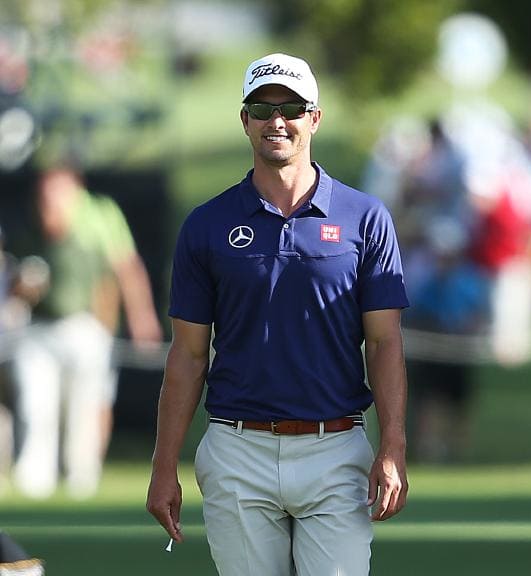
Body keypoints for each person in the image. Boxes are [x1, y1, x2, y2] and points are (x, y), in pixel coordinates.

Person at [145, 53, 410, 575]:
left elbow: (384, 343)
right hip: (237, 449)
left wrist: (393, 446)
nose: (277, 122)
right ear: (245, 120)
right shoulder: (206, 225)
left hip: (335, 448)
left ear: (315, 117)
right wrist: (163, 465)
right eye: (262, 110)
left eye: (291, 108)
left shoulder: (366, 218)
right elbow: (189, 353)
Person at [10, 165, 162, 500]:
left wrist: (142, 318)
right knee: (37, 405)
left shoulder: (98, 216)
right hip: (38, 329)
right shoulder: (27, 222)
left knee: (85, 404)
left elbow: (126, 268)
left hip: (86, 327)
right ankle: (35, 479)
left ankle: (82, 476)